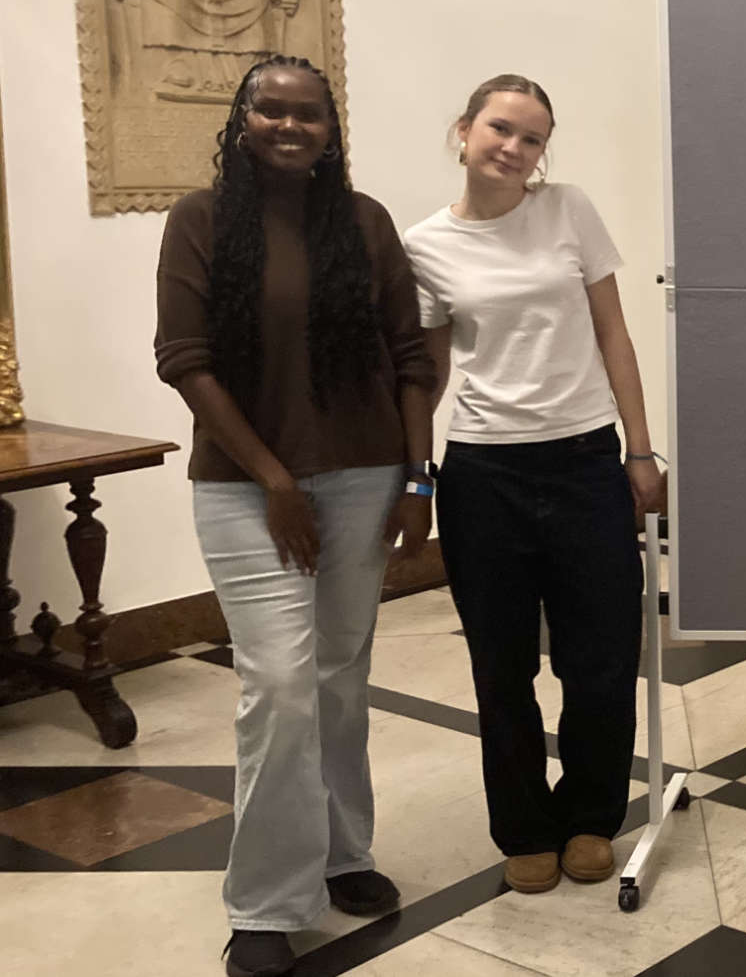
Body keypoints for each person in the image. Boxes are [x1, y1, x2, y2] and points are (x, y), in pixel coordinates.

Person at [155, 55, 436, 977]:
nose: (288, 125)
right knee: (277, 684)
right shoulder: (199, 222)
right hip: (243, 486)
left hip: (364, 478)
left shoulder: (364, 222)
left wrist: (418, 479)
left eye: (307, 113)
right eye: (269, 110)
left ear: (330, 127)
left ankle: (342, 849)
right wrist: (275, 478)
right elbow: (185, 360)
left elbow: (411, 357)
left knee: (339, 677)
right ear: (241, 120)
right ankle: (267, 903)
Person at [404, 74, 661, 897]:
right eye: (501, 129)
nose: (514, 148)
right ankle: (522, 826)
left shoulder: (568, 210)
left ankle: (590, 816)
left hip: (586, 459)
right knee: (501, 665)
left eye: (533, 137)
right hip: (484, 472)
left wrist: (640, 450)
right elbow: (431, 370)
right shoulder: (425, 244)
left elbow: (614, 332)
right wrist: (411, 470)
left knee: (601, 654)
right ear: (464, 130)